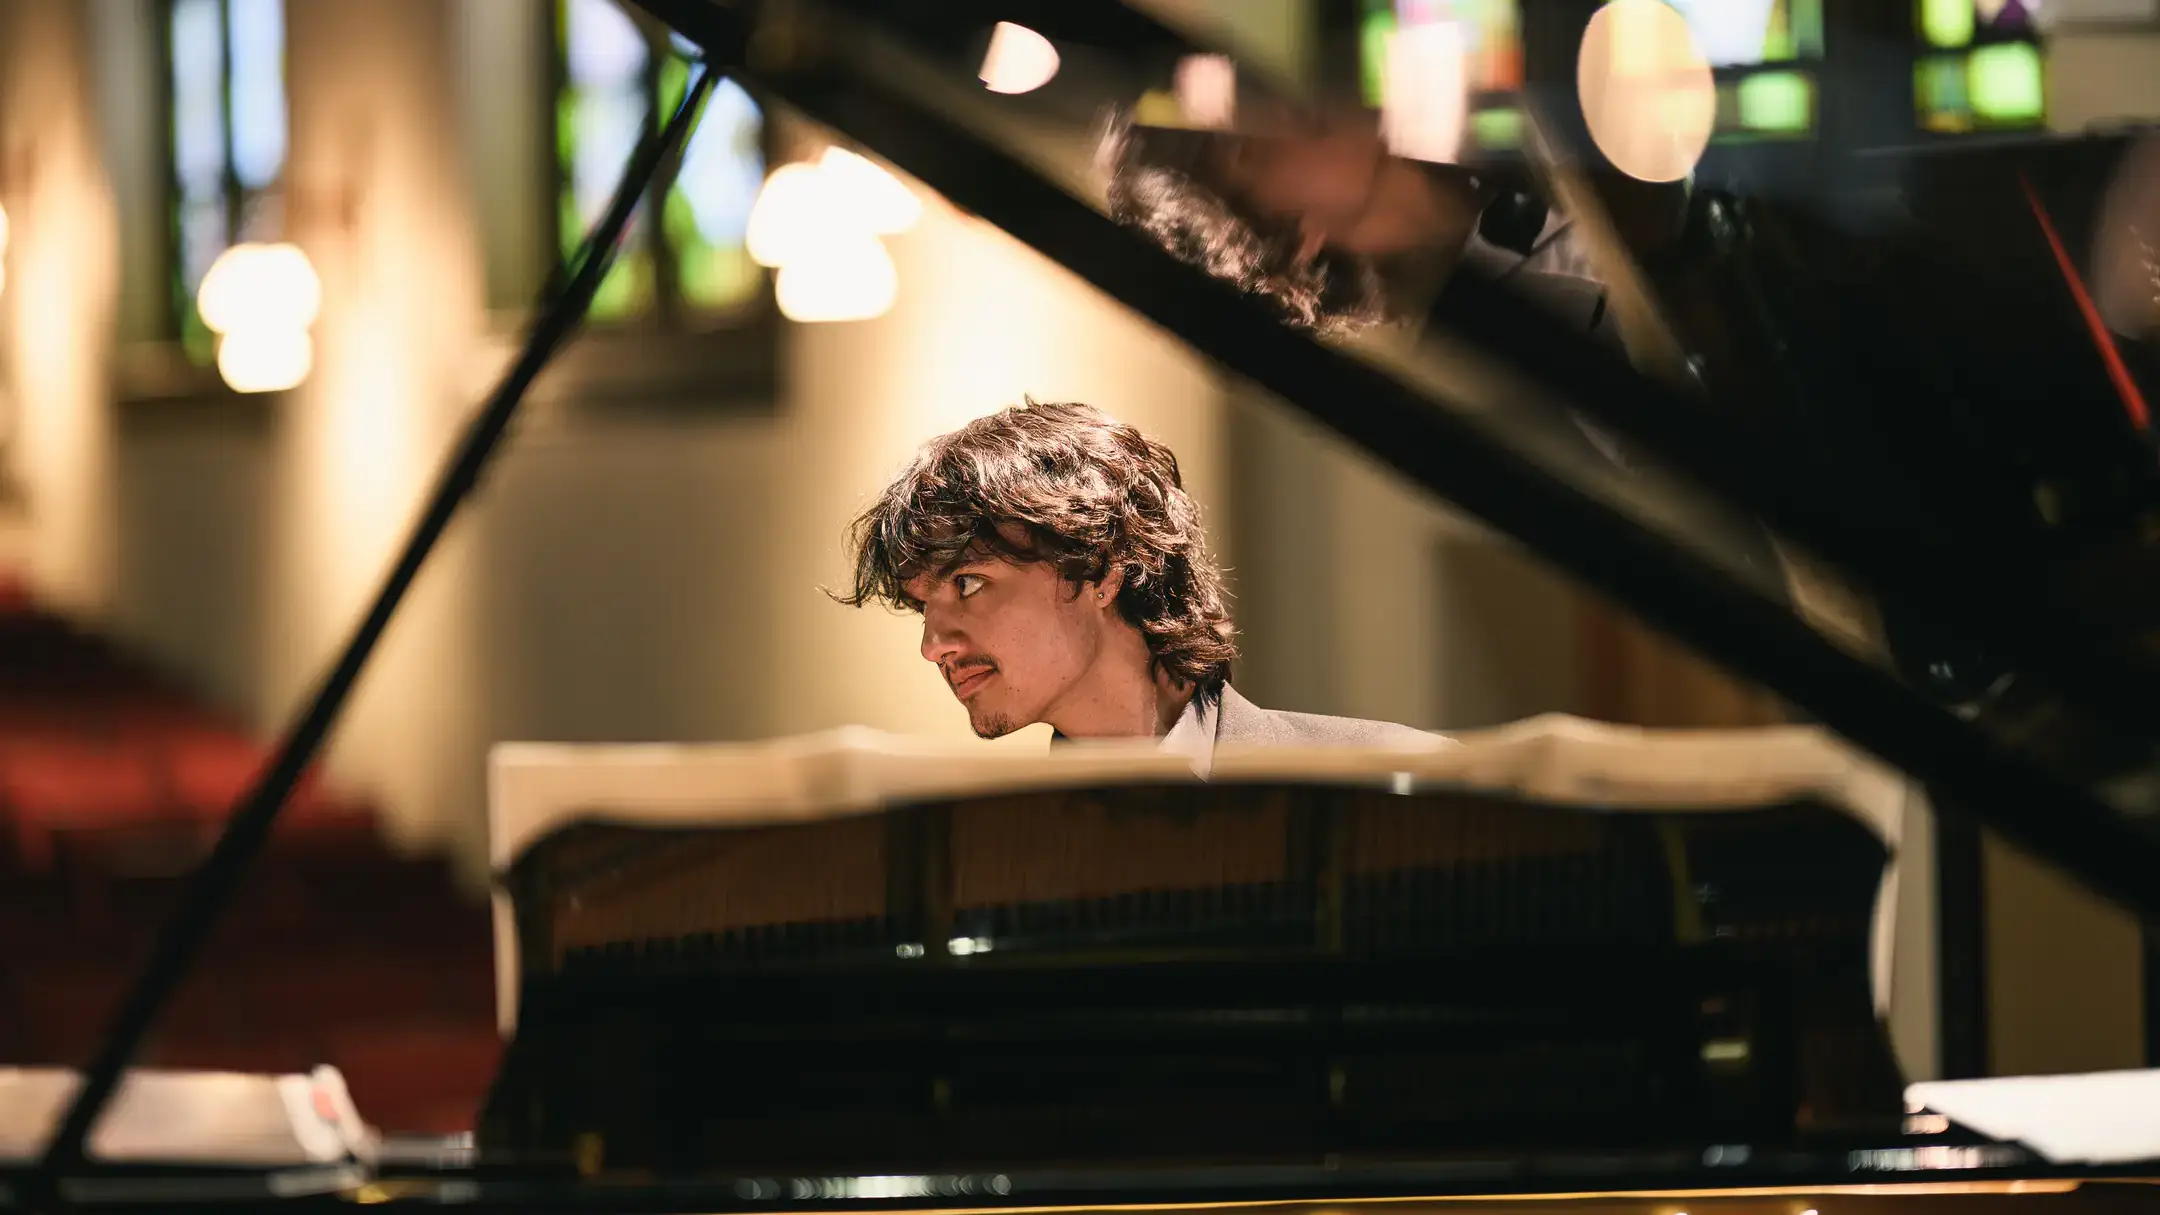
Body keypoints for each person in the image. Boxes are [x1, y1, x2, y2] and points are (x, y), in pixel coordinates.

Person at [834, 399, 1448, 768]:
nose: (932, 645)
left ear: (1100, 567)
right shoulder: (984, 855)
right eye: (922, 608)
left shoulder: (1391, 780)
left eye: (967, 584)